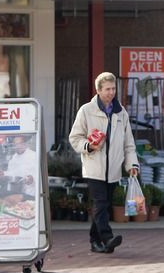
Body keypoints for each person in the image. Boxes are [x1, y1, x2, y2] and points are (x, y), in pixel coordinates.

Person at [69, 72, 139, 254]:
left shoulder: (121, 113)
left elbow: (128, 144)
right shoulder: (86, 110)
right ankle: (107, 237)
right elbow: (75, 138)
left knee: (103, 206)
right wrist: (89, 146)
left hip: (114, 169)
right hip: (94, 168)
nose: (111, 93)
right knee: (100, 204)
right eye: (107, 89)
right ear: (98, 90)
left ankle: (95, 242)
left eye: (113, 89)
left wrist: (132, 165)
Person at [0, 135, 38, 199]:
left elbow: (40, 175)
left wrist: (32, 179)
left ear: (25, 144)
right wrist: (3, 174)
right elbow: (12, 173)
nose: (18, 146)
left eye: (20, 143)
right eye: (16, 144)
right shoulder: (14, 158)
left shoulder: (34, 155)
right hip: (17, 192)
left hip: (30, 193)